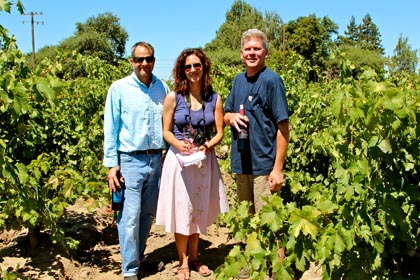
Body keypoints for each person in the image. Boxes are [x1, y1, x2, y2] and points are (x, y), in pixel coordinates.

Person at [156, 48, 229, 280]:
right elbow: (166, 131)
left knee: (198, 208)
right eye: (188, 67)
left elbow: (219, 132)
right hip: (179, 161)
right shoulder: (173, 97)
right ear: (182, 71)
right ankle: (183, 261)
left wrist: (207, 146)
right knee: (181, 209)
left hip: (203, 160)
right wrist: (178, 144)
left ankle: (196, 257)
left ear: (204, 67)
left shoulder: (214, 98)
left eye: (196, 65)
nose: (193, 70)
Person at [223, 28, 290, 278]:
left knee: (270, 223)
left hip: (264, 166)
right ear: (241, 54)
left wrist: (278, 168)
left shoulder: (272, 80)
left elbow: (283, 126)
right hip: (242, 164)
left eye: (257, 49)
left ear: (266, 53)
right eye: (248, 49)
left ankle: (278, 271)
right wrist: (231, 118)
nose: (252, 53)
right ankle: (252, 267)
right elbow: (226, 113)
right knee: (247, 221)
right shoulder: (238, 80)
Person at [103, 41, 170, 280]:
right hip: (129, 161)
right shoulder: (119, 88)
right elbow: (110, 128)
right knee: (129, 217)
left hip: (156, 161)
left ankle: (140, 258)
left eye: (149, 59)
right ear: (132, 62)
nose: (144, 63)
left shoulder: (162, 87)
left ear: (153, 61)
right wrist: (112, 165)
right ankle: (130, 270)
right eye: (139, 59)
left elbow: (169, 124)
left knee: (147, 214)